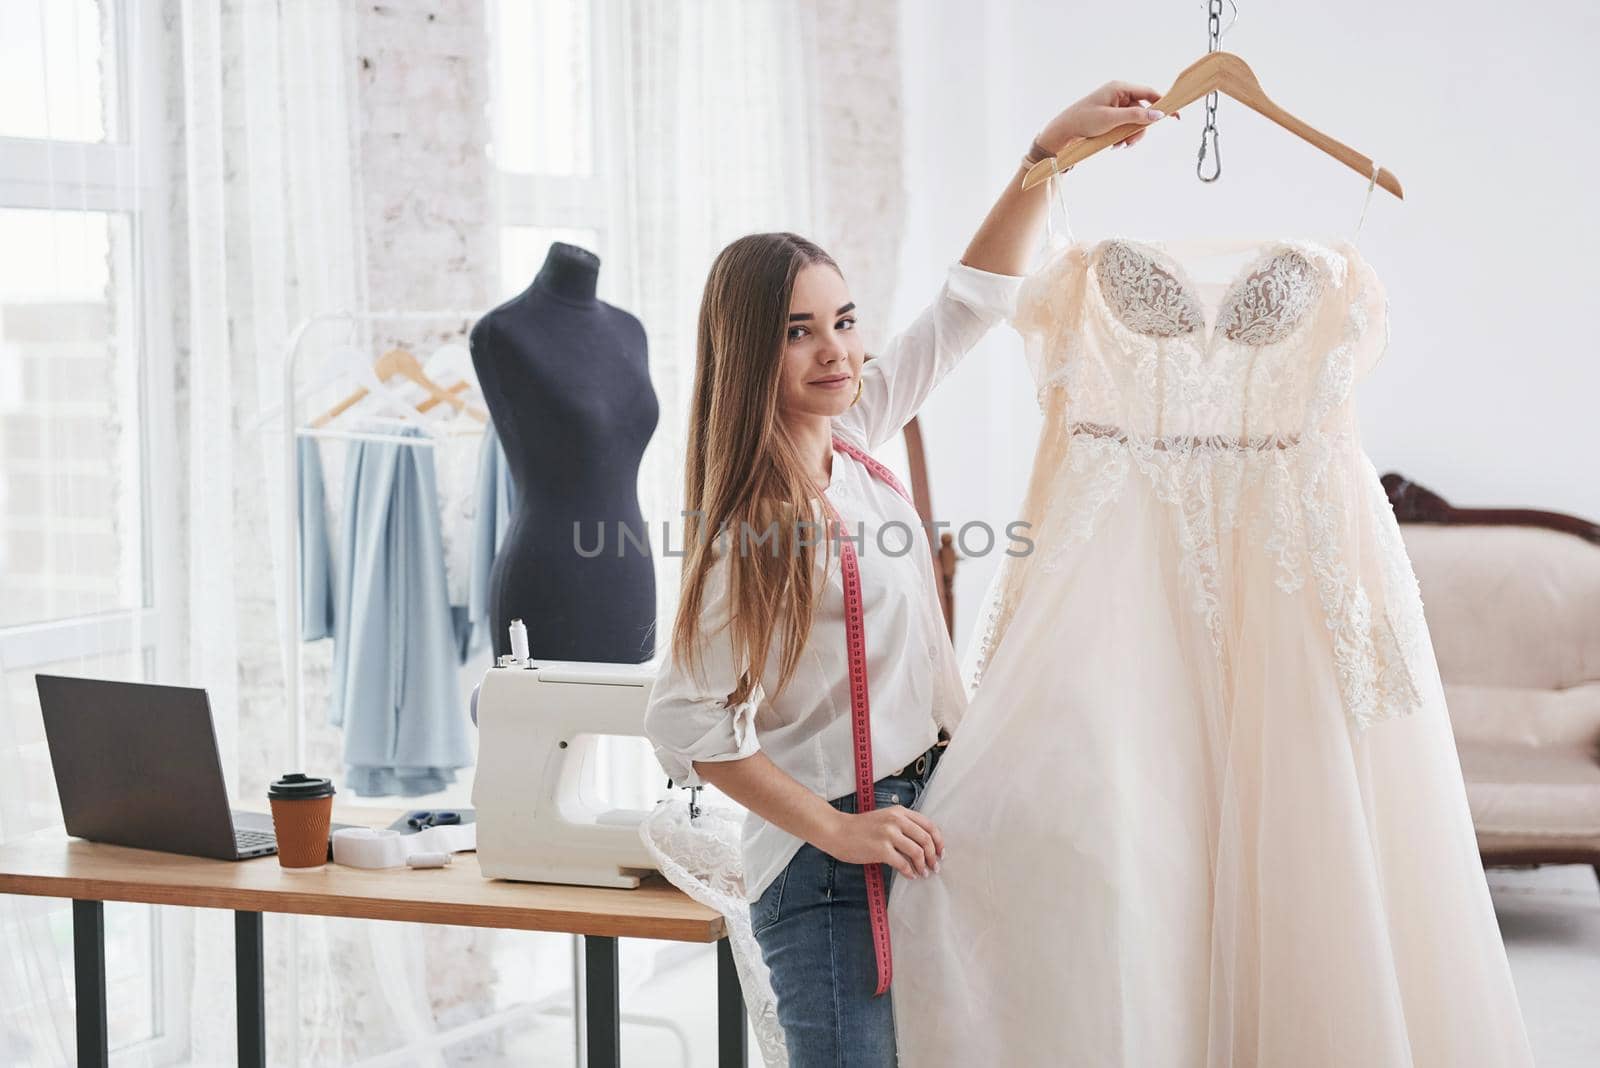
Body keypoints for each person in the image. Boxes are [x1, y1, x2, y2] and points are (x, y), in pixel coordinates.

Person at [643, 82, 1173, 1067]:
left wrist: (1045, 153)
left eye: (842, 320)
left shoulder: (850, 444)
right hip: (832, 865)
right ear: (749, 349)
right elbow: (685, 726)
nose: (836, 349)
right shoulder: (751, 530)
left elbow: (967, 305)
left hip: (922, 820)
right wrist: (835, 834)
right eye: (798, 332)